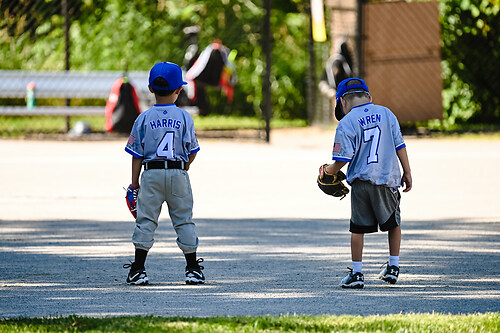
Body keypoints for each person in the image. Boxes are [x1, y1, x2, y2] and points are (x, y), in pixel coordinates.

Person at [323, 77, 412, 289]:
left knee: (357, 228)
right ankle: (393, 267)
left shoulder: (346, 123)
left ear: (342, 103)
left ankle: (357, 273)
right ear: (369, 98)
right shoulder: (386, 113)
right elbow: (400, 144)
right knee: (393, 223)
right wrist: (407, 171)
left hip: (361, 182)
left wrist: (328, 172)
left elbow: (342, 159)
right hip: (387, 179)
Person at [123, 61, 205, 286]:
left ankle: (138, 269)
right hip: (178, 173)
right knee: (184, 221)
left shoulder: (143, 118)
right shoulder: (185, 117)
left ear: (150, 89)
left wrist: (134, 184)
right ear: (179, 90)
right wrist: (183, 168)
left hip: (151, 174)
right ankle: (192, 269)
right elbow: (193, 151)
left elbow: (136, 154)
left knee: (146, 220)